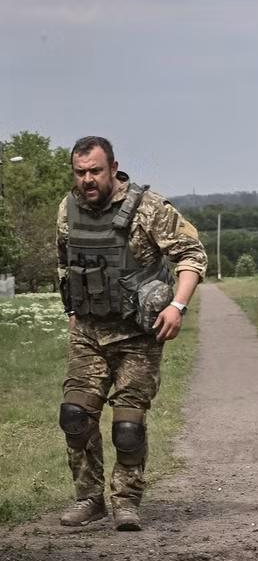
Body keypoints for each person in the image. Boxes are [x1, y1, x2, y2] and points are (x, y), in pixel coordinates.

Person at [56, 136, 207, 531]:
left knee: (127, 425)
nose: (88, 179)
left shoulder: (147, 208)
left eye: (95, 171)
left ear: (113, 167)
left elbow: (192, 255)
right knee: (75, 415)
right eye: (80, 172)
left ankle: (126, 502)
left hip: (139, 335)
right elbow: (65, 262)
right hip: (89, 331)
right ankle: (90, 499)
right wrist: (72, 310)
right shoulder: (68, 208)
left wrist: (178, 305)